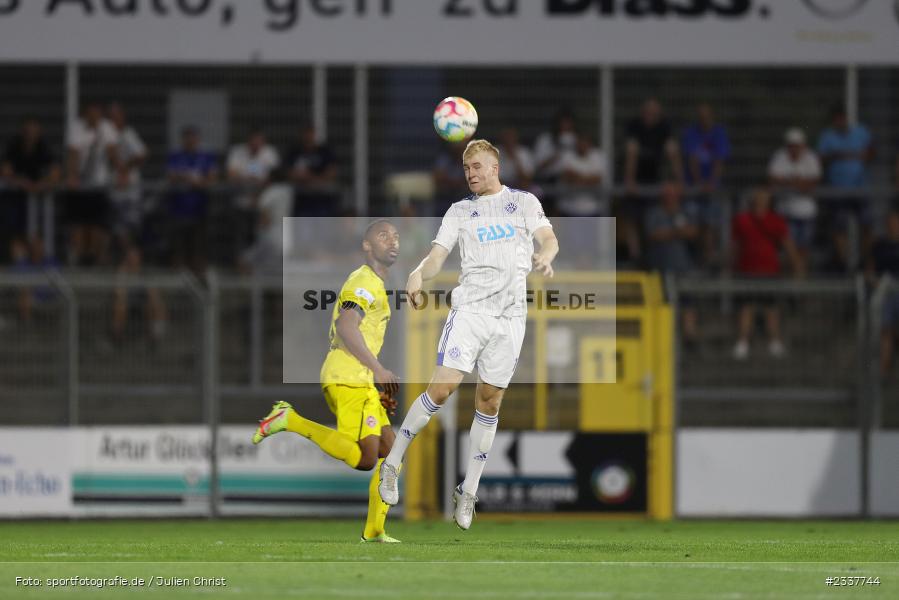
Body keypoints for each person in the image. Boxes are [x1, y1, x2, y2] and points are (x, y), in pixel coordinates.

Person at [378, 139, 559, 530]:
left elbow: (549, 237)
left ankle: (468, 491)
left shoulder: (523, 202)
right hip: (471, 312)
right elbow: (437, 257)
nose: (471, 174)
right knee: (441, 390)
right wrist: (417, 273)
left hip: (510, 318)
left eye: (477, 167)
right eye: (466, 169)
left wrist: (545, 256)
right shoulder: (459, 211)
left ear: (495, 168)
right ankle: (392, 463)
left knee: (490, 403)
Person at [252, 220, 403, 543]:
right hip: (347, 375)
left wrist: (373, 377)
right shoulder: (364, 281)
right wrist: (378, 369)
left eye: (395, 236)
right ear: (366, 246)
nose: (392, 240)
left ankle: (375, 530)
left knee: (391, 451)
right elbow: (347, 326)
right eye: (383, 235)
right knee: (365, 458)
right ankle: (290, 420)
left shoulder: (374, 282)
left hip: (358, 377)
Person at [730, 188, 803, 360]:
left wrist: (797, 264)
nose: (760, 201)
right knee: (746, 307)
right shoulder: (742, 220)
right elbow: (735, 246)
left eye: (764, 198)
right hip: (747, 271)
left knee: (771, 308)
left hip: (769, 270)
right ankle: (743, 341)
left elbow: (787, 243)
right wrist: (731, 266)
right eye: (757, 198)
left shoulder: (776, 221)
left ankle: (774, 341)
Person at [621, 99, 683, 263]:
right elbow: (631, 152)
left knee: (652, 218)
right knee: (631, 215)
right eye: (648, 113)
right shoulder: (635, 126)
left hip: (655, 179)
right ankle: (635, 254)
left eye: (654, 114)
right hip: (637, 178)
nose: (650, 116)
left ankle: (650, 256)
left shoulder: (664, 127)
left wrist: (679, 181)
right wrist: (630, 181)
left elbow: (672, 151)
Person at [816, 105, 874, 269]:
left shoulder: (861, 132)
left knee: (867, 224)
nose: (840, 122)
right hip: (838, 190)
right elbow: (820, 158)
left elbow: (872, 152)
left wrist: (865, 155)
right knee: (839, 226)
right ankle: (844, 261)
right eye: (837, 119)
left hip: (860, 188)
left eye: (842, 118)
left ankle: (866, 260)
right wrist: (837, 155)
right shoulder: (827, 136)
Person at [645, 182, 700, 347]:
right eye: (667, 193)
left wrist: (671, 233)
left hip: (684, 266)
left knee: (688, 301)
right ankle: (664, 336)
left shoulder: (686, 212)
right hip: (660, 266)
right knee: (663, 302)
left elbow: (693, 232)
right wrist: (677, 232)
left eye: (673, 193)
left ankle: (689, 336)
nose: (670, 197)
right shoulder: (654, 213)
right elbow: (653, 234)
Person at [64, 103, 119, 266]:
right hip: (80, 184)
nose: (94, 117)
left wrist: (120, 173)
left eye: (97, 114)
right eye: (91, 113)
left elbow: (113, 153)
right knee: (78, 222)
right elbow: (73, 154)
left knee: (97, 223)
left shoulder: (107, 128)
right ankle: (78, 256)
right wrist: (72, 175)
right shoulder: (77, 128)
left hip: (98, 184)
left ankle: (95, 257)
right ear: (86, 114)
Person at [0, 116, 60, 263]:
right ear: (23, 131)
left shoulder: (43, 148)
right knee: (15, 232)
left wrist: (41, 184)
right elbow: (5, 172)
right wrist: (21, 182)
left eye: (34, 131)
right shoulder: (14, 147)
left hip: (37, 199)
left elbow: (55, 173)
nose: (31, 134)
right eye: (28, 131)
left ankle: (38, 259)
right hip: (15, 199)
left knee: (36, 231)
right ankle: (20, 261)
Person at [681, 103, 730, 266]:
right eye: (701, 117)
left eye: (707, 116)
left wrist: (711, 183)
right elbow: (692, 159)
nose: (704, 120)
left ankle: (709, 257)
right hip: (693, 188)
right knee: (693, 223)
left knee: (711, 223)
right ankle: (695, 258)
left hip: (712, 189)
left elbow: (719, 161)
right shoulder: (691, 133)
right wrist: (699, 183)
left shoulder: (719, 133)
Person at [768, 128, 822, 274]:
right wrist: (798, 183)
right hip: (785, 212)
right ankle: (793, 276)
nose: (794, 149)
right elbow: (773, 179)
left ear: (803, 145)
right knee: (788, 249)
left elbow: (814, 182)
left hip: (807, 212)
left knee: (804, 248)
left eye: (797, 145)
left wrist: (789, 182)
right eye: (791, 145)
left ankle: (799, 277)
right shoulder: (779, 156)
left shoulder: (810, 157)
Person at [166, 126, 218, 277]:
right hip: (178, 210)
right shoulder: (176, 156)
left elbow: (212, 178)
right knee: (178, 247)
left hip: (199, 210)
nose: (190, 141)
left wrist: (197, 182)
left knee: (198, 246)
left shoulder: (206, 156)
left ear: (198, 139)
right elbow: (171, 176)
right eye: (187, 138)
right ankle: (178, 278)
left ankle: (198, 277)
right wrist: (188, 177)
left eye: (193, 137)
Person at [106, 103, 148, 261]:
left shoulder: (127, 134)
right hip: (114, 192)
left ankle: (133, 261)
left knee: (128, 230)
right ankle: (126, 261)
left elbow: (142, 154)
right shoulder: (106, 136)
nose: (113, 121)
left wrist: (124, 170)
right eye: (110, 118)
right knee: (116, 230)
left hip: (129, 194)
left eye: (116, 117)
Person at [867, 211, 899, 379]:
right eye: (891, 223)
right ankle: (882, 371)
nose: (894, 226)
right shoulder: (879, 245)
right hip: (884, 291)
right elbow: (870, 270)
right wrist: (874, 281)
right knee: (885, 331)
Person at [284, 125, 339, 217]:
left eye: (310, 134)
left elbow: (332, 172)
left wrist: (312, 178)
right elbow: (289, 172)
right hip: (301, 197)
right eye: (306, 134)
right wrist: (304, 178)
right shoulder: (295, 151)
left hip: (322, 196)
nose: (308, 137)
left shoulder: (324, 151)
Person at [533, 108, 577, 184]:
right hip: (548, 180)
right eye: (563, 122)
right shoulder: (545, 139)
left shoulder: (576, 139)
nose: (565, 125)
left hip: (571, 180)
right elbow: (536, 166)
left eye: (568, 122)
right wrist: (553, 158)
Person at [497, 127, 535, 191]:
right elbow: (493, 178)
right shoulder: (494, 152)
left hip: (520, 185)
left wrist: (515, 158)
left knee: (536, 190)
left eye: (511, 137)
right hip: (500, 187)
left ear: (516, 138)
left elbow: (527, 177)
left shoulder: (524, 152)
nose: (509, 140)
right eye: (506, 137)